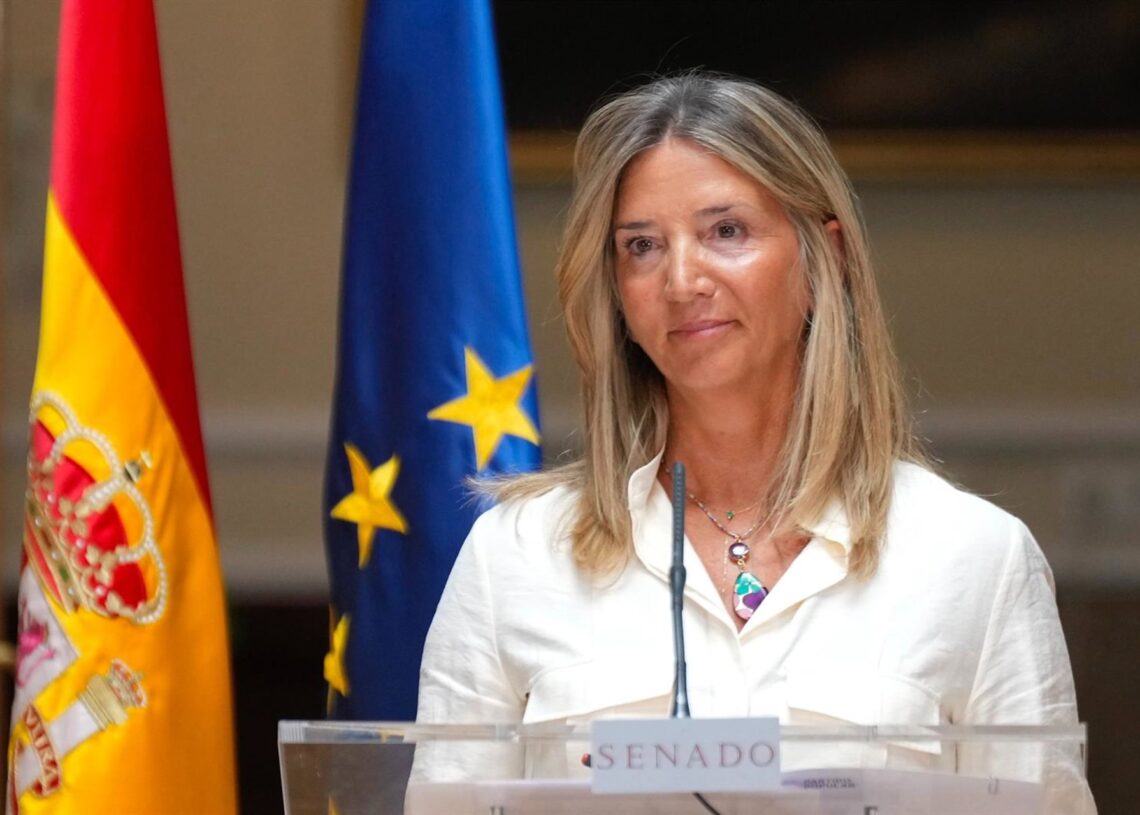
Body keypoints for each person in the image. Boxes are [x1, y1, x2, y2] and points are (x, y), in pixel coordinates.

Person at [412, 72, 1095, 812]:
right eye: (642, 245)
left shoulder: (974, 558)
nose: (681, 280)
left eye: (726, 232)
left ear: (824, 257)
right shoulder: (514, 557)